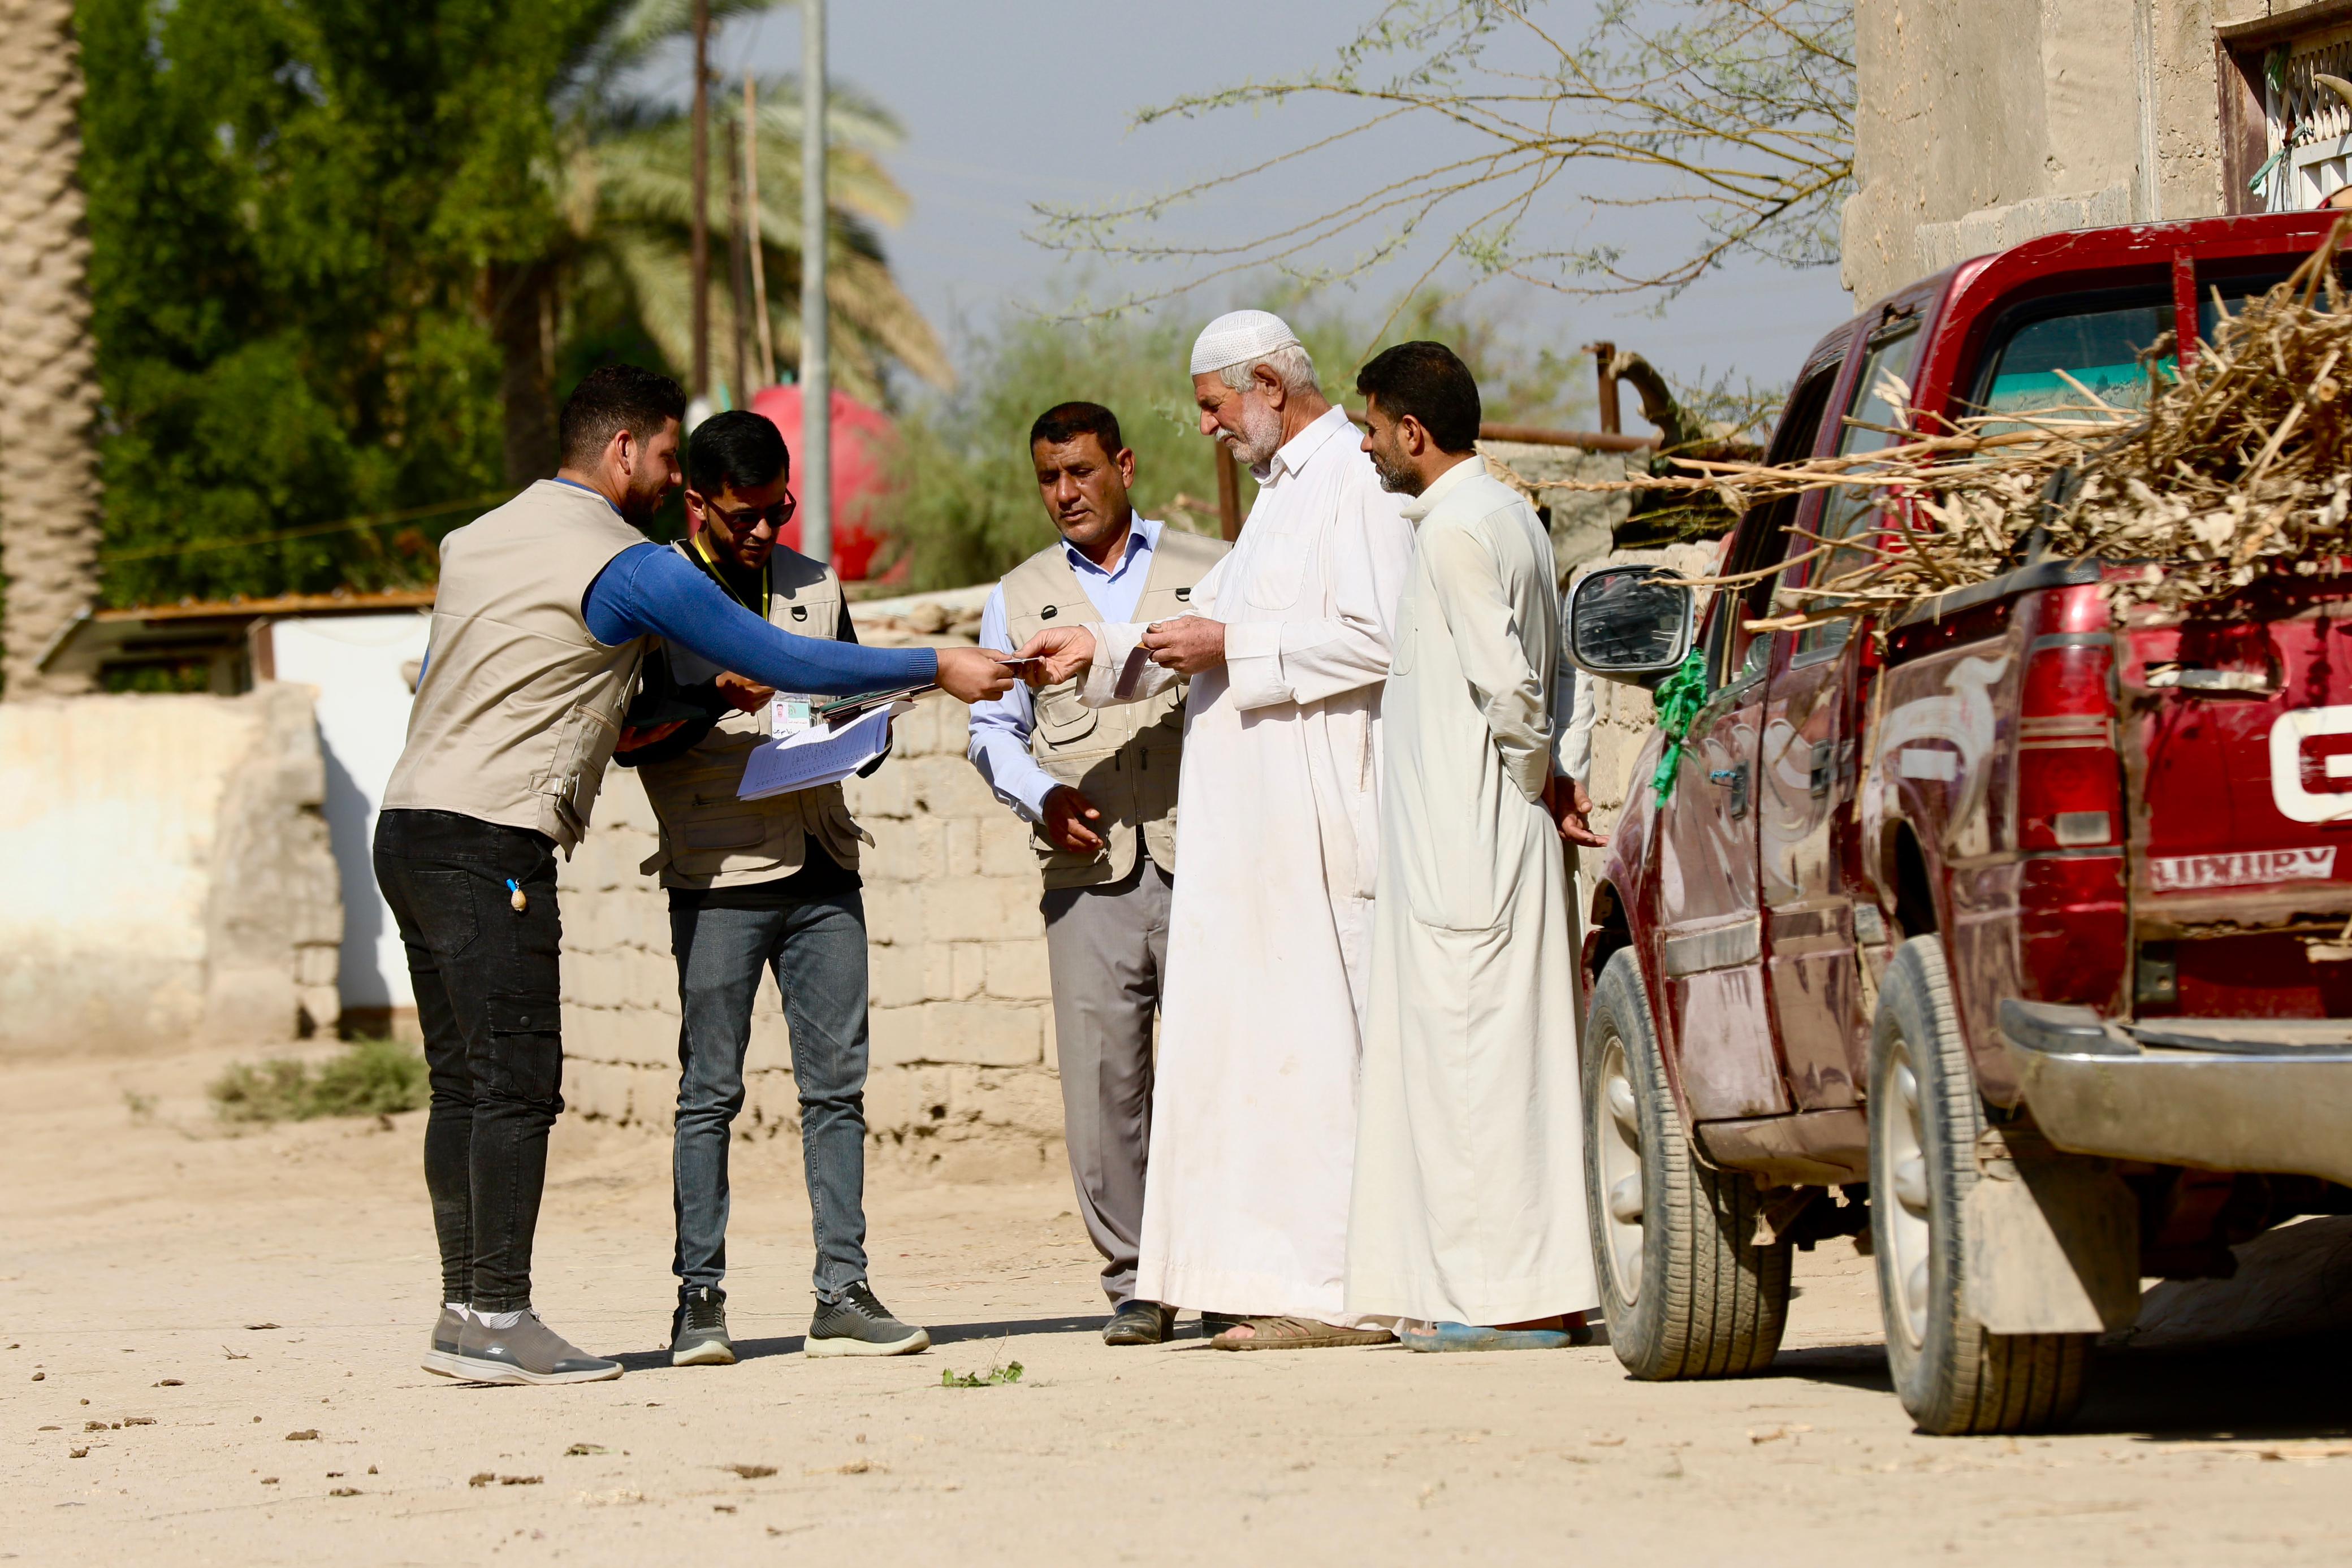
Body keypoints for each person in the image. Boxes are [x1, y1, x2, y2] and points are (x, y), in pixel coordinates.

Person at [375, 366, 1013, 1387]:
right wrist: (934, 664)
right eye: (671, 458)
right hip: (498, 838)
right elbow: (774, 657)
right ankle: (499, 1313)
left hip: (410, 826)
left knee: (463, 1084)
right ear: (624, 450)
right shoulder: (630, 564)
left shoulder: (480, 537)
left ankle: (465, 1309)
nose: (674, 481)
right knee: (514, 1087)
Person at [1017, 311, 1417, 1350]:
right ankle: (1281, 1279)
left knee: (1329, 1052)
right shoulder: (1284, 496)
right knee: (1267, 1056)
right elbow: (1198, 634)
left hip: (1322, 821)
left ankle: (1346, 1292)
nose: (1207, 429)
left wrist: (1232, 641)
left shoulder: (1354, 483)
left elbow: (1381, 638)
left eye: (1212, 406)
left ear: (1271, 385)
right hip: (1259, 844)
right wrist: (1101, 651)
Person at [612, 410, 929, 1367]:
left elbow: (854, 689)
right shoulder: (655, 589)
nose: (763, 531)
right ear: (698, 501)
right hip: (717, 874)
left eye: (777, 510)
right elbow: (626, 735)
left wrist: (860, 723)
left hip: (824, 861)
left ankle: (843, 1290)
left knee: (838, 1088)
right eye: (744, 514)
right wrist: (714, 696)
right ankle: (698, 1301)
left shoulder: (816, 584)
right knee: (710, 1090)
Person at [1341, 341, 1606, 1350]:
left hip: (1476, 840)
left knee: (1475, 1064)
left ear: (1413, 431)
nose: (1366, 445)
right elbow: (1561, 676)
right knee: (1502, 1058)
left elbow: (1512, 687)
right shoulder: (1508, 519)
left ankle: (1509, 1300)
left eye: (1372, 427)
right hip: (1496, 831)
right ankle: (1527, 1287)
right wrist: (1559, 776)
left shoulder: (1457, 530)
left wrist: (1535, 780)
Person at [966, 402, 1229, 1346]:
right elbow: (990, 728)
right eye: (1048, 477)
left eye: (1080, 471)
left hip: (1213, 855)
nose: (1065, 493)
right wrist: (1040, 795)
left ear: (1122, 464)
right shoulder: (1019, 591)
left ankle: (1230, 1269)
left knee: (1221, 1070)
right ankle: (1138, 1282)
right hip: (1087, 872)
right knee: (1105, 1084)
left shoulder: (1215, 565)